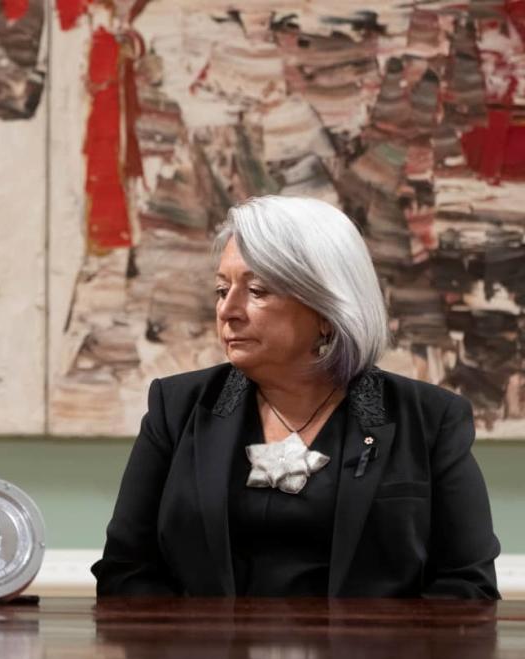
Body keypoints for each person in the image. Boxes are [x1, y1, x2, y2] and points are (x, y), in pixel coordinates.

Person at [92, 195, 500, 599]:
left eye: (257, 291)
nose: (228, 310)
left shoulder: (430, 419)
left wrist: (385, 658)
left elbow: (467, 585)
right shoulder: (177, 407)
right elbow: (127, 570)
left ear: (326, 309)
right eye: (221, 290)